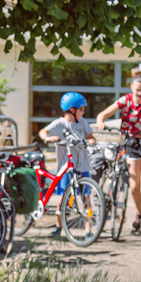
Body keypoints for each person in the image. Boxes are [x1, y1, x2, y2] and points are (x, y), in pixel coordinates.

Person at [95, 73, 141, 235]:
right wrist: (101, 122)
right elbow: (102, 115)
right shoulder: (125, 101)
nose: (140, 93)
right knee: (134, 186)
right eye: (137, 89)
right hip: (132, 143)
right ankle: (139, 213)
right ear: (132, 88)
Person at [39, 92, 96, 238]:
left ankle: (88, 230)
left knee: (86, 199)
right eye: (81, 109)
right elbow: (42, 131)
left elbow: (91, 137)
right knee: (63, 198)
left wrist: (91, 141)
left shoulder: (82, 122)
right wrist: (48, 137)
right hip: (66, 166)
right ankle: (59, 227)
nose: (83, 112)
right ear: (72, 109)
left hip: (82, 165)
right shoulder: (59, 123)